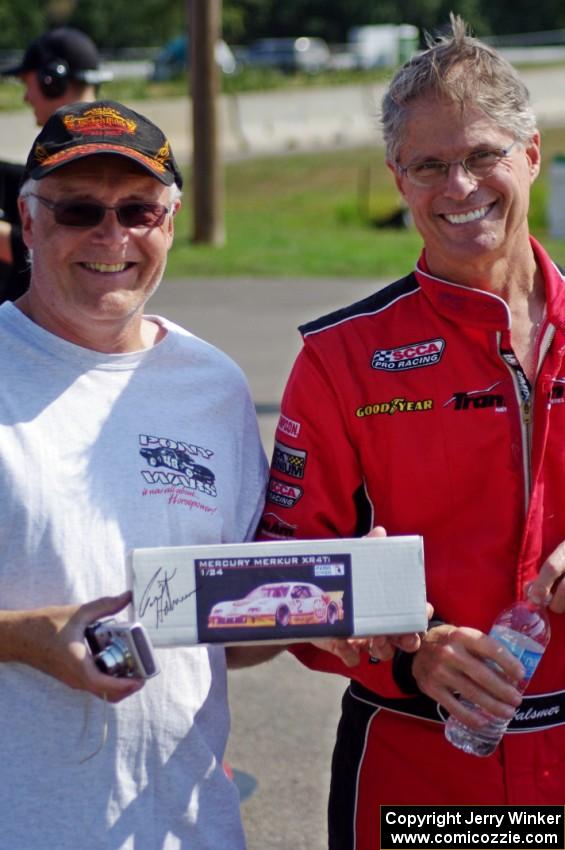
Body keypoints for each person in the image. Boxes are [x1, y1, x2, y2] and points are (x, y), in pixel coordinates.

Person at [257, 15, 565, 849]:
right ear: (398, 179)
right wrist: (411, 650)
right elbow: (282, 583)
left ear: (530, 155)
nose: (458, 187)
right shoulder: (340, 359)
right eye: (429, 165)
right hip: (423, 761)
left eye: (481, 156)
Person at [0, 99, 269, 849]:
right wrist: (26, 638)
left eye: (138, 210)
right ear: (28, 224)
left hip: (184, 828)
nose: (111, 236)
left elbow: (231, 627)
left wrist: (325, 612)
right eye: (79, 210)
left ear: (170, 222)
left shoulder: (212, 386)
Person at [0, 27, 111, 302]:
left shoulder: (83, 155)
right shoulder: (107, 140)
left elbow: (57, 242)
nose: (26, 97)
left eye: (29, 84)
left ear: (52, 81)